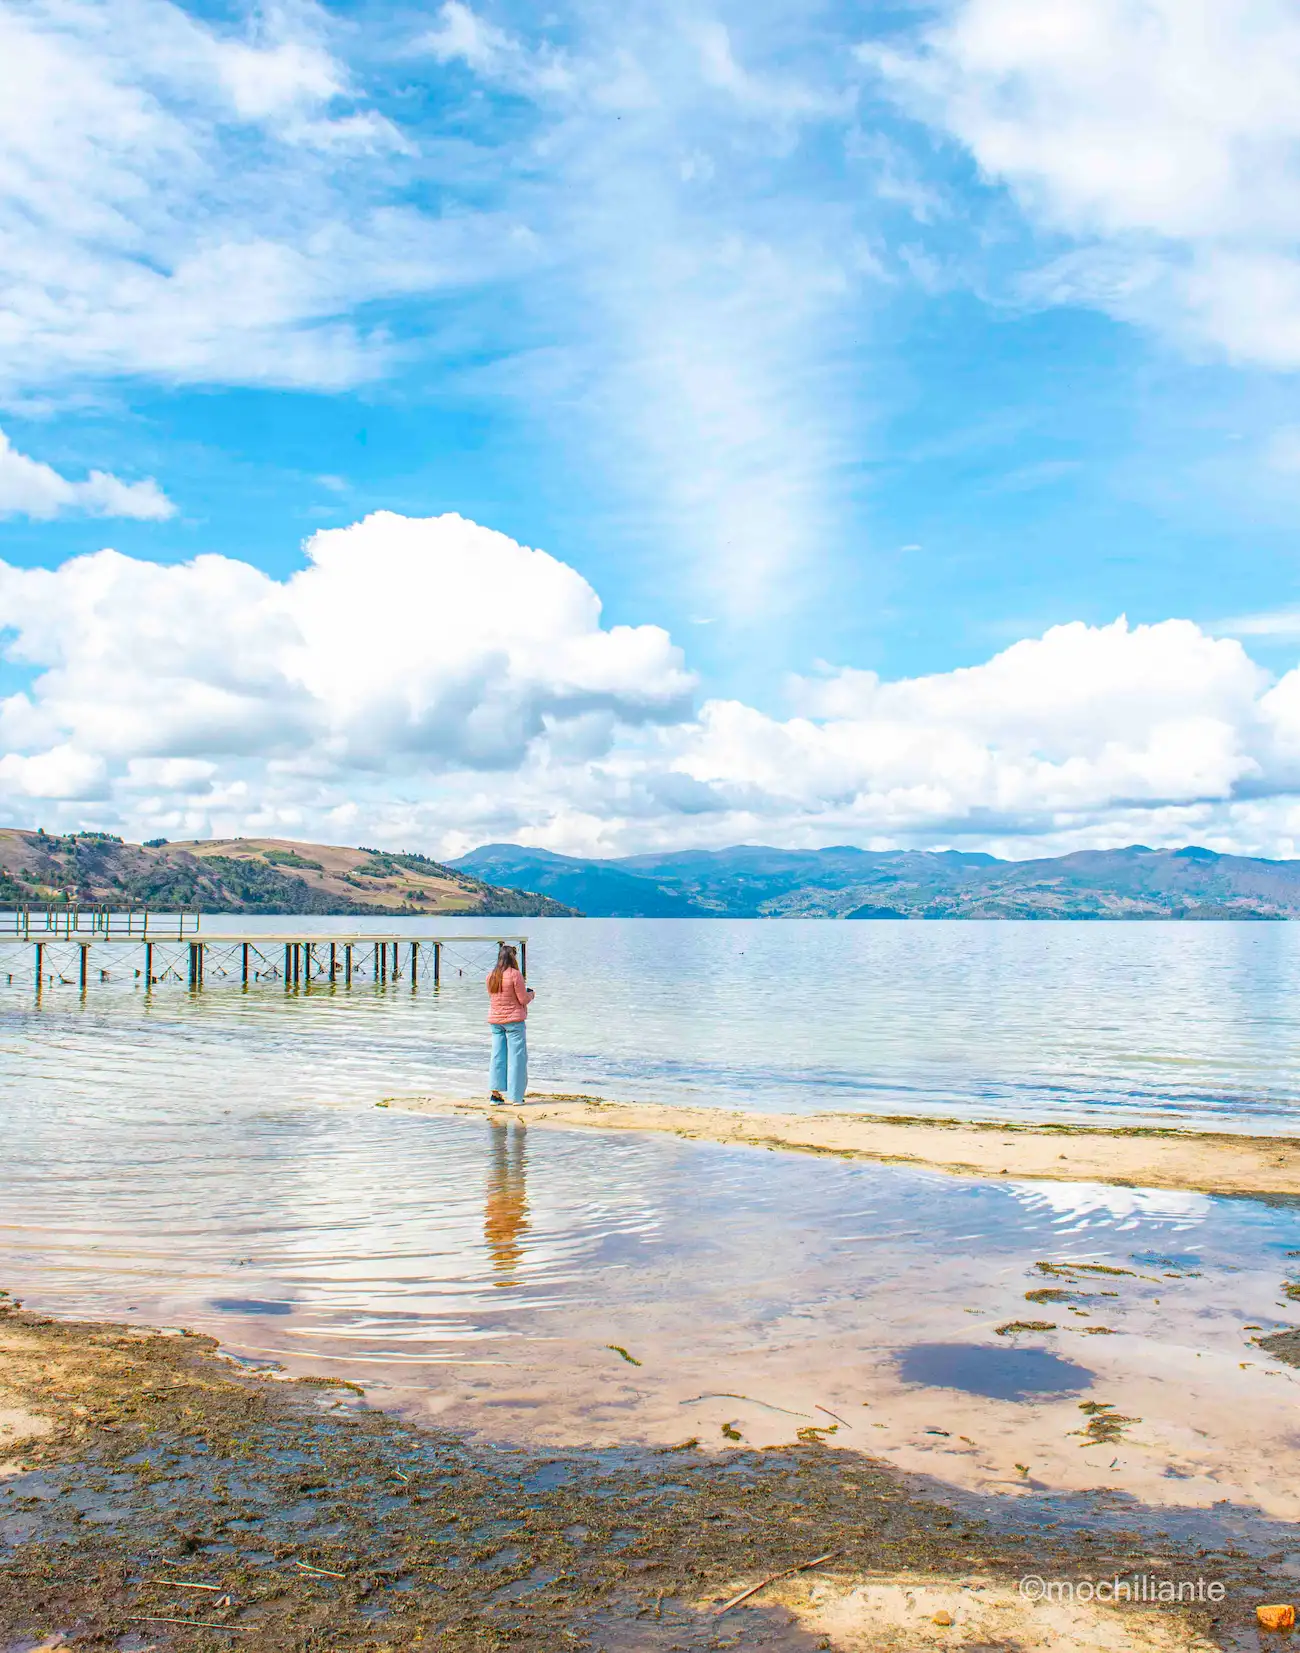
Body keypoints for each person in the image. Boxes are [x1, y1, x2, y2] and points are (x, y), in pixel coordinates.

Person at [486, 942, 534, 1105]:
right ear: (513, 958)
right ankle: (516, 1097)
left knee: (497, 1057)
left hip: (495, 1021)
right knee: (517, 1058)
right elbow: (522, 999)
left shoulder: (492, 975)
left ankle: (495, 1095)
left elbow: (494, 997)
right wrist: (531, 994)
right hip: (514, 1021)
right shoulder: (515, 975)